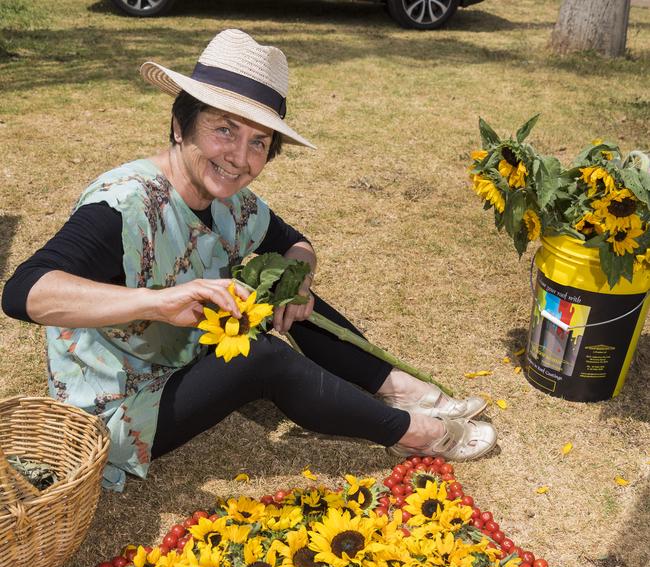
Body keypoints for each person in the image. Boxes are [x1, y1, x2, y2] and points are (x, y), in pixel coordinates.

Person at [2, 29, 496, 492]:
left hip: (183, 357)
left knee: (283, 284)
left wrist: (295, 284)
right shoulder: (126, 206)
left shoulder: (231, 202)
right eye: (224, 129)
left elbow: (295, 244)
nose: (239, 157)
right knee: (262, 357)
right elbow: (24, 291)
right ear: (180, 126)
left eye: (258, 142)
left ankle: (396, 386)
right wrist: (158, 301)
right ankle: (413, 431)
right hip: (120, 409)